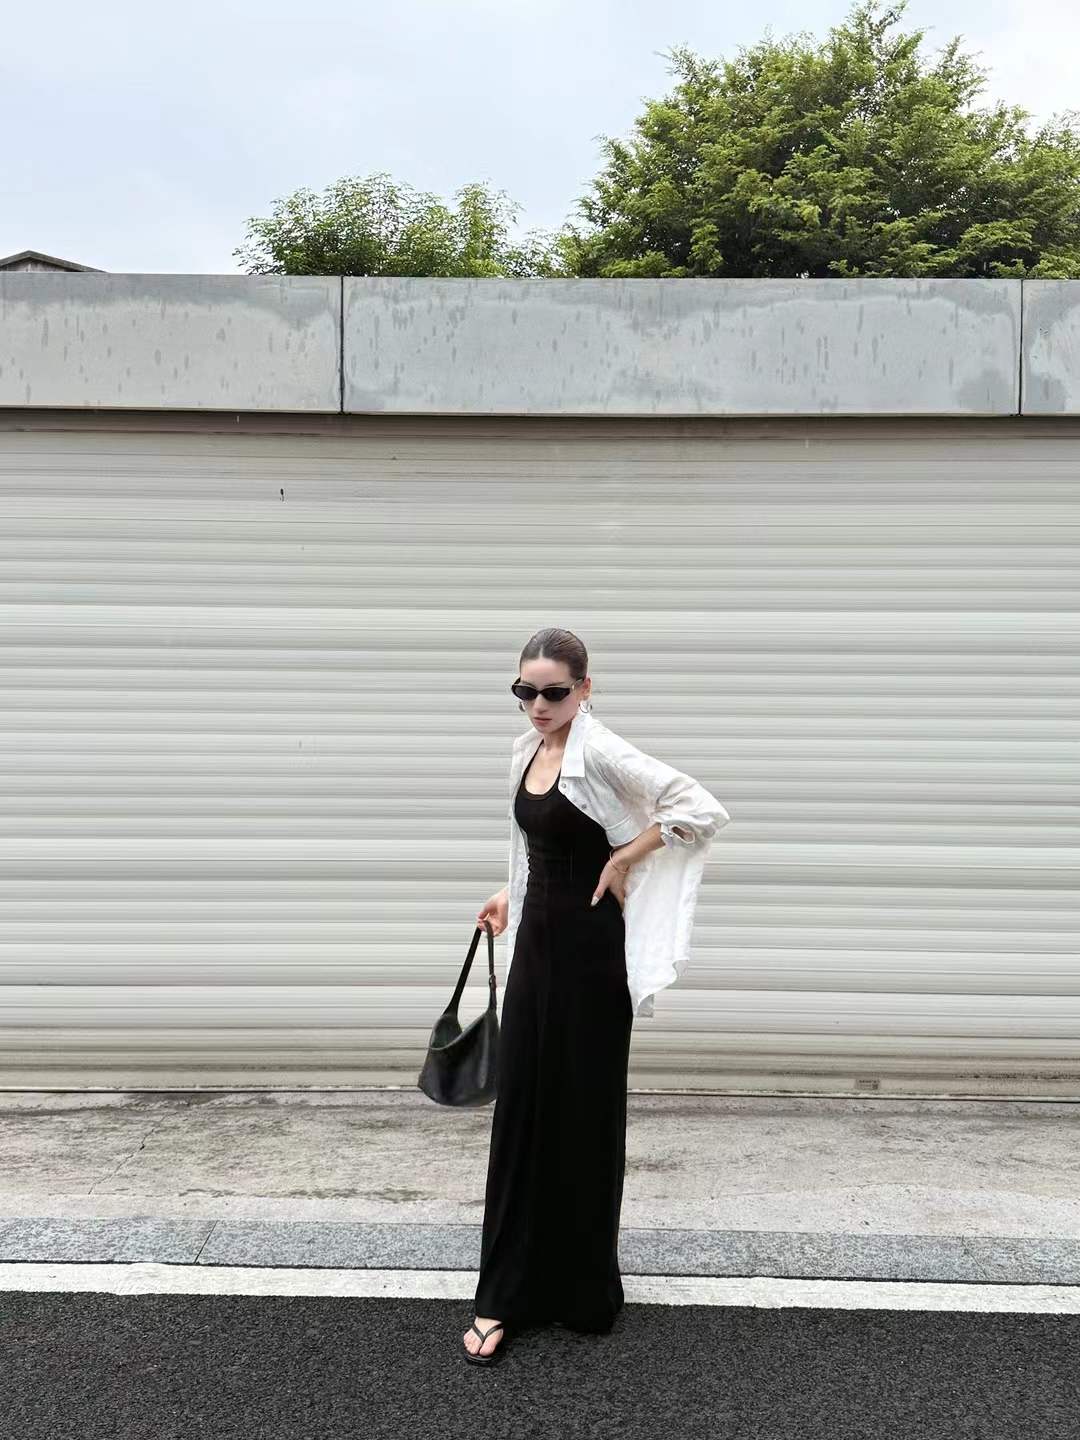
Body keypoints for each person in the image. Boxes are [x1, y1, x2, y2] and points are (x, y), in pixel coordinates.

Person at [462, 627, 730, 1364]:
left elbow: (699, 808)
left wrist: (625, 857)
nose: (538, 705)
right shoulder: (527, 750)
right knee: (522, 1113)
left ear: (584, 688)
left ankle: (582, 1290)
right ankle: (503, 1294)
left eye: (554, 691)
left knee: (583, 1114)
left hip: (591, 958)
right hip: (536, 951)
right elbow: (532, 849)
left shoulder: (602, 750)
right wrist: (508, 896)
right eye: (525, 691)